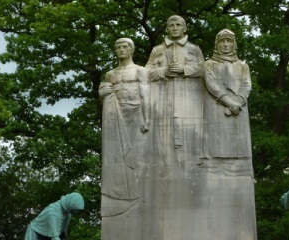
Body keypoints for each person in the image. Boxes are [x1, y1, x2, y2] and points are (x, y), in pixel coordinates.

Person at [99, 38, 149, 216]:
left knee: (134, 157)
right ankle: (118, 194)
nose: (121, 49)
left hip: (134, 113)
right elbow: (106, 96)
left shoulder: (140, 71)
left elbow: (145, 95)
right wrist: (102, 94)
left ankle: (136, 194)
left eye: (124, 47)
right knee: (116, 157)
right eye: (117, 47)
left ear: (131, 50)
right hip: (115, 118)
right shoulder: (110, 74)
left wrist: (147, 118)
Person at [145, 15, 204, 162]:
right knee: (162, 139)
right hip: (163, 101)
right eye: (171, 25)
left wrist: (185, 69)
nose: (175, 28)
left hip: (189, 101)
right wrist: (163, 71)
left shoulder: (194, 50)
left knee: (191, 136)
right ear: (167, 29)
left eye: (178, 25)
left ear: (184, 28)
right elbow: (146, 73)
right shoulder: (157, 50)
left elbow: (205, 71)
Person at [202, 29, 252, 175]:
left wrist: (237, 102)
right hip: (217, 108)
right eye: (222, 41)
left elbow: (247, 85)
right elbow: (212, 85)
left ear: (234, 44)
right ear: (216, 44)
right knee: (216, 144)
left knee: (238, 145)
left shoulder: (243, 66)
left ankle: (239, 170)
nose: (225, 44)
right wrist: (229, 102)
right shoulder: (208, 64)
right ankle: (214, 171)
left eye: (229, 41)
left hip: (238, 109)